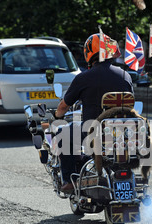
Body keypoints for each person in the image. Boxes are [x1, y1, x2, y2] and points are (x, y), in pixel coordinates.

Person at [54, 33, 134, 192]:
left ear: (89, 52)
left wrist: (57, 117)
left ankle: (70, 180)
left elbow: (63, 106)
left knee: (63, 133)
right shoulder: (126, 76)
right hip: (123, 131)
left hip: (93, 131)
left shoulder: (83, 78)